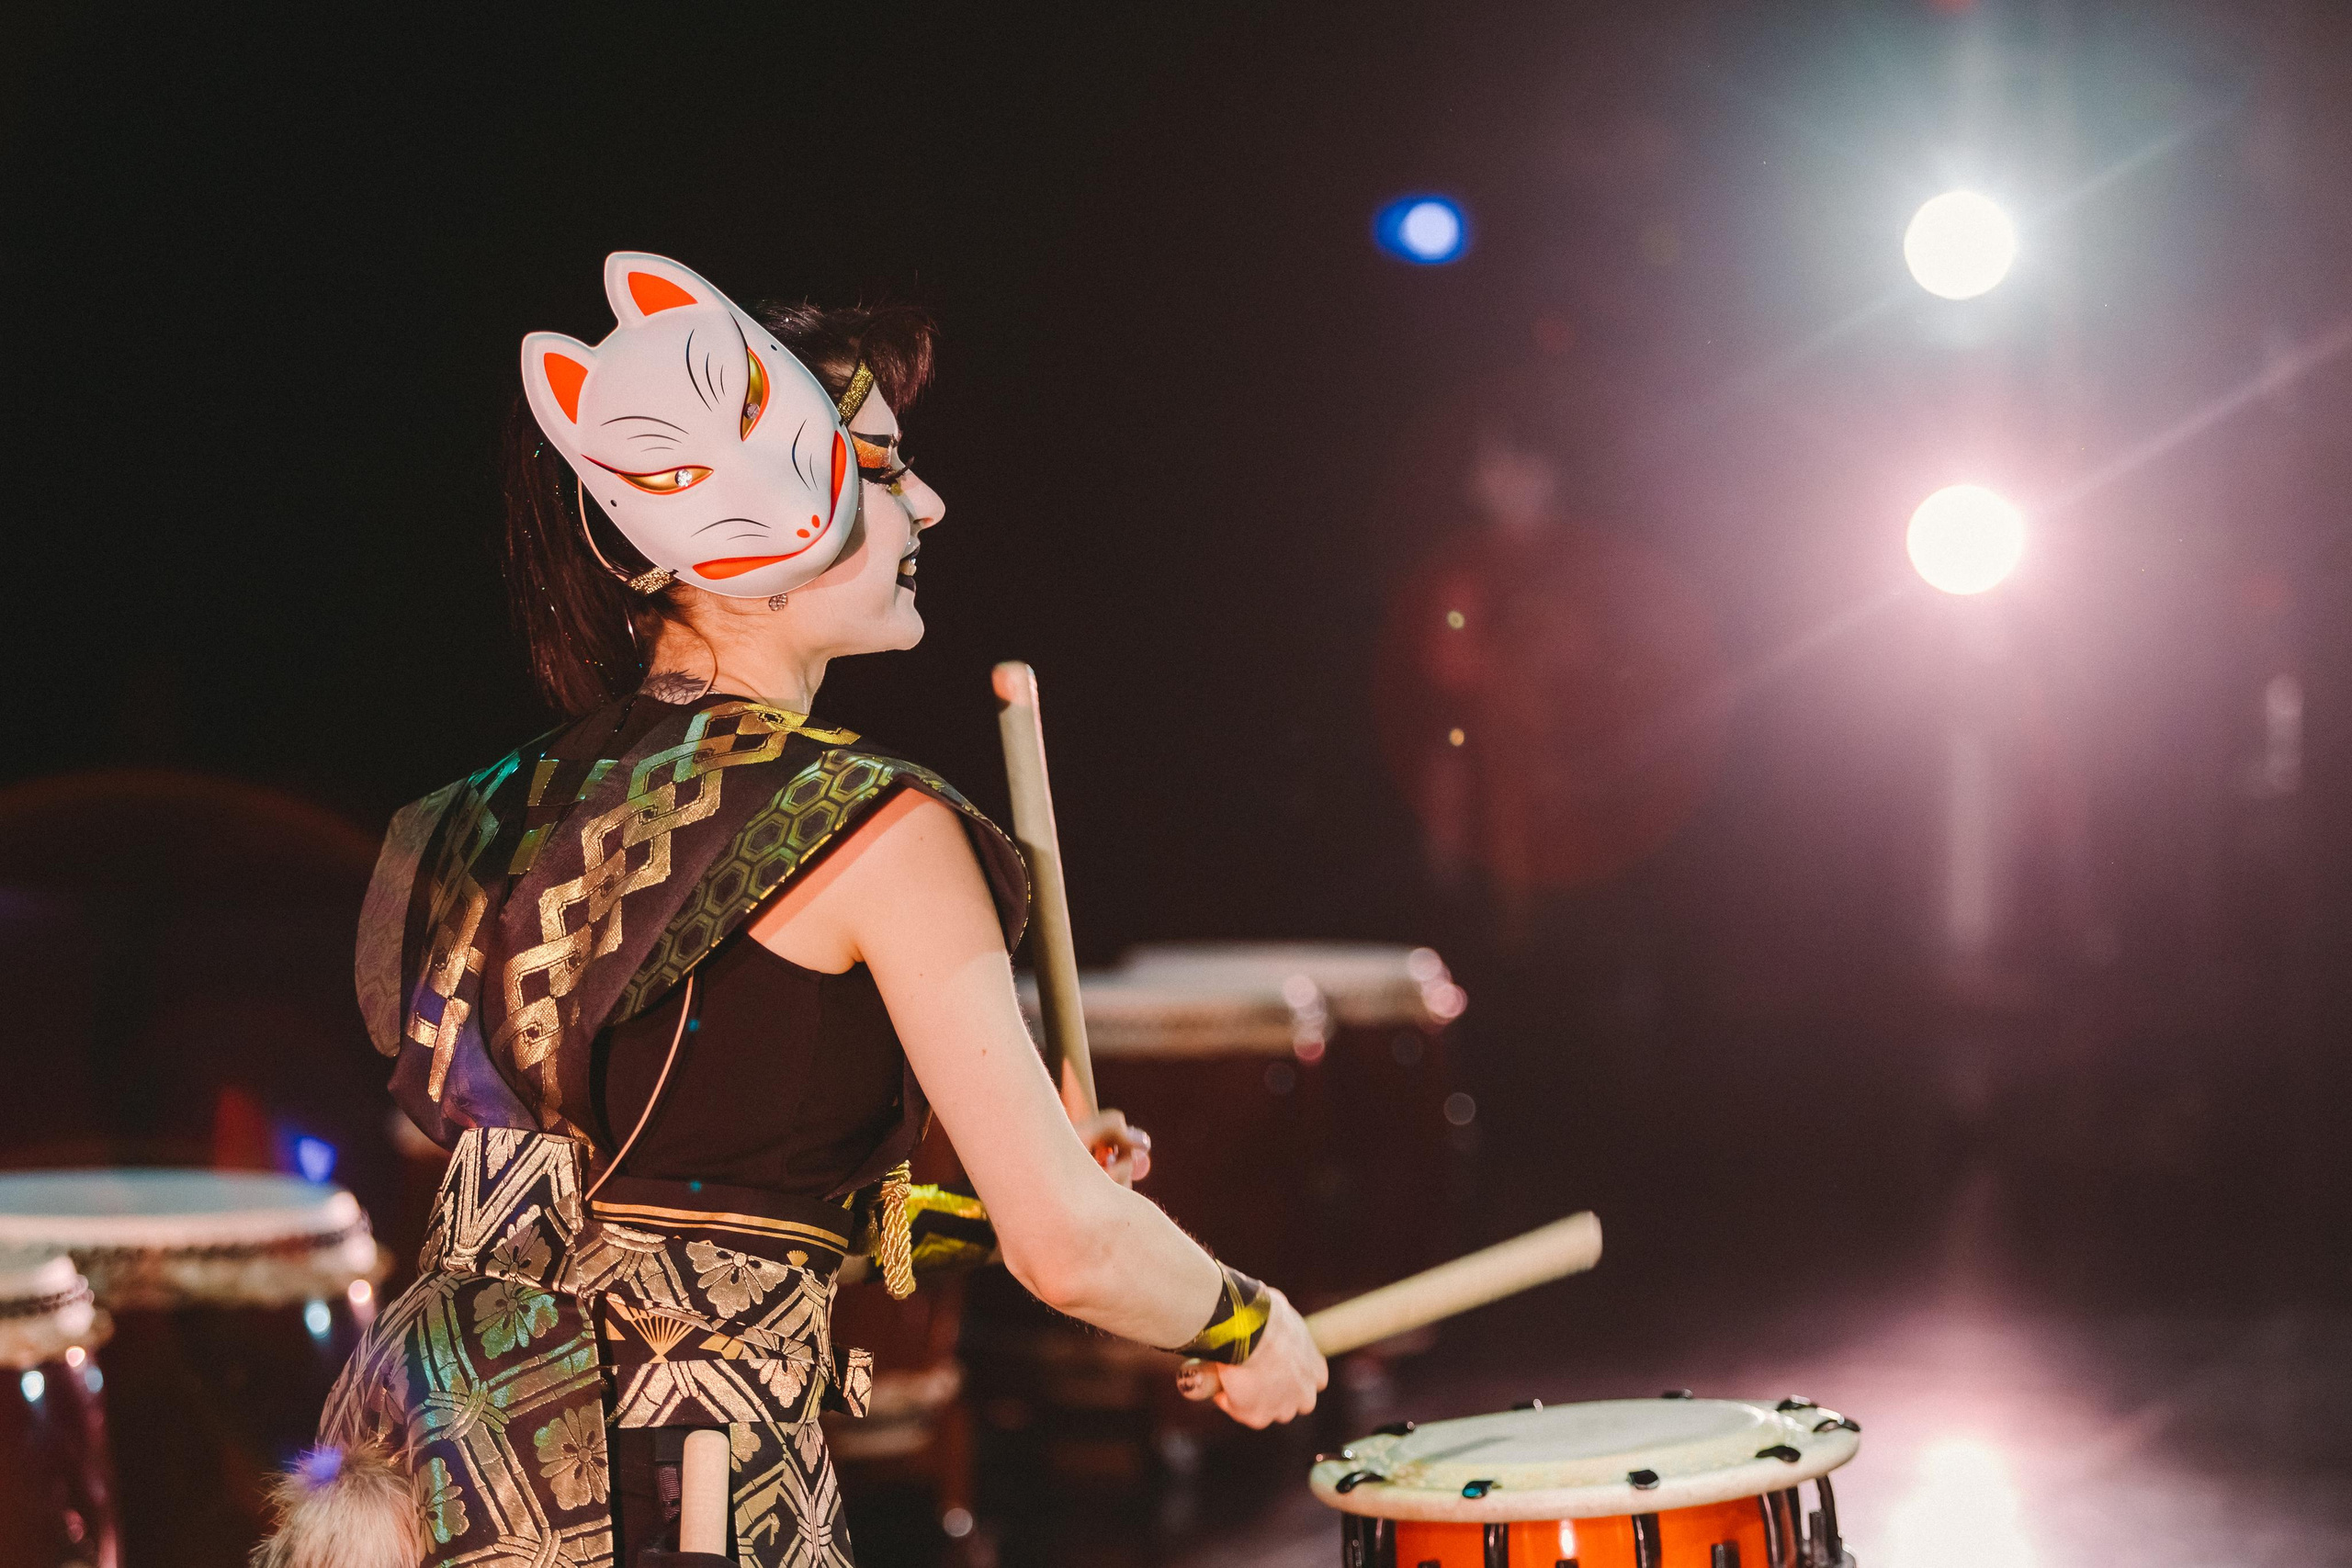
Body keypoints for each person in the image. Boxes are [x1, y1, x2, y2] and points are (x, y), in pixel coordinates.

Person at [259, 254, 1324, 1568]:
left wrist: (991, 1199)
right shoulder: (876, 825)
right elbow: (1075, 1251)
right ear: (760, 500)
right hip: (652, 1478)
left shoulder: (490, 809)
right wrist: (1244, 1323)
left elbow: (658, 1207)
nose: (927, 502)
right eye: (882, 468)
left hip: (425, 1448)